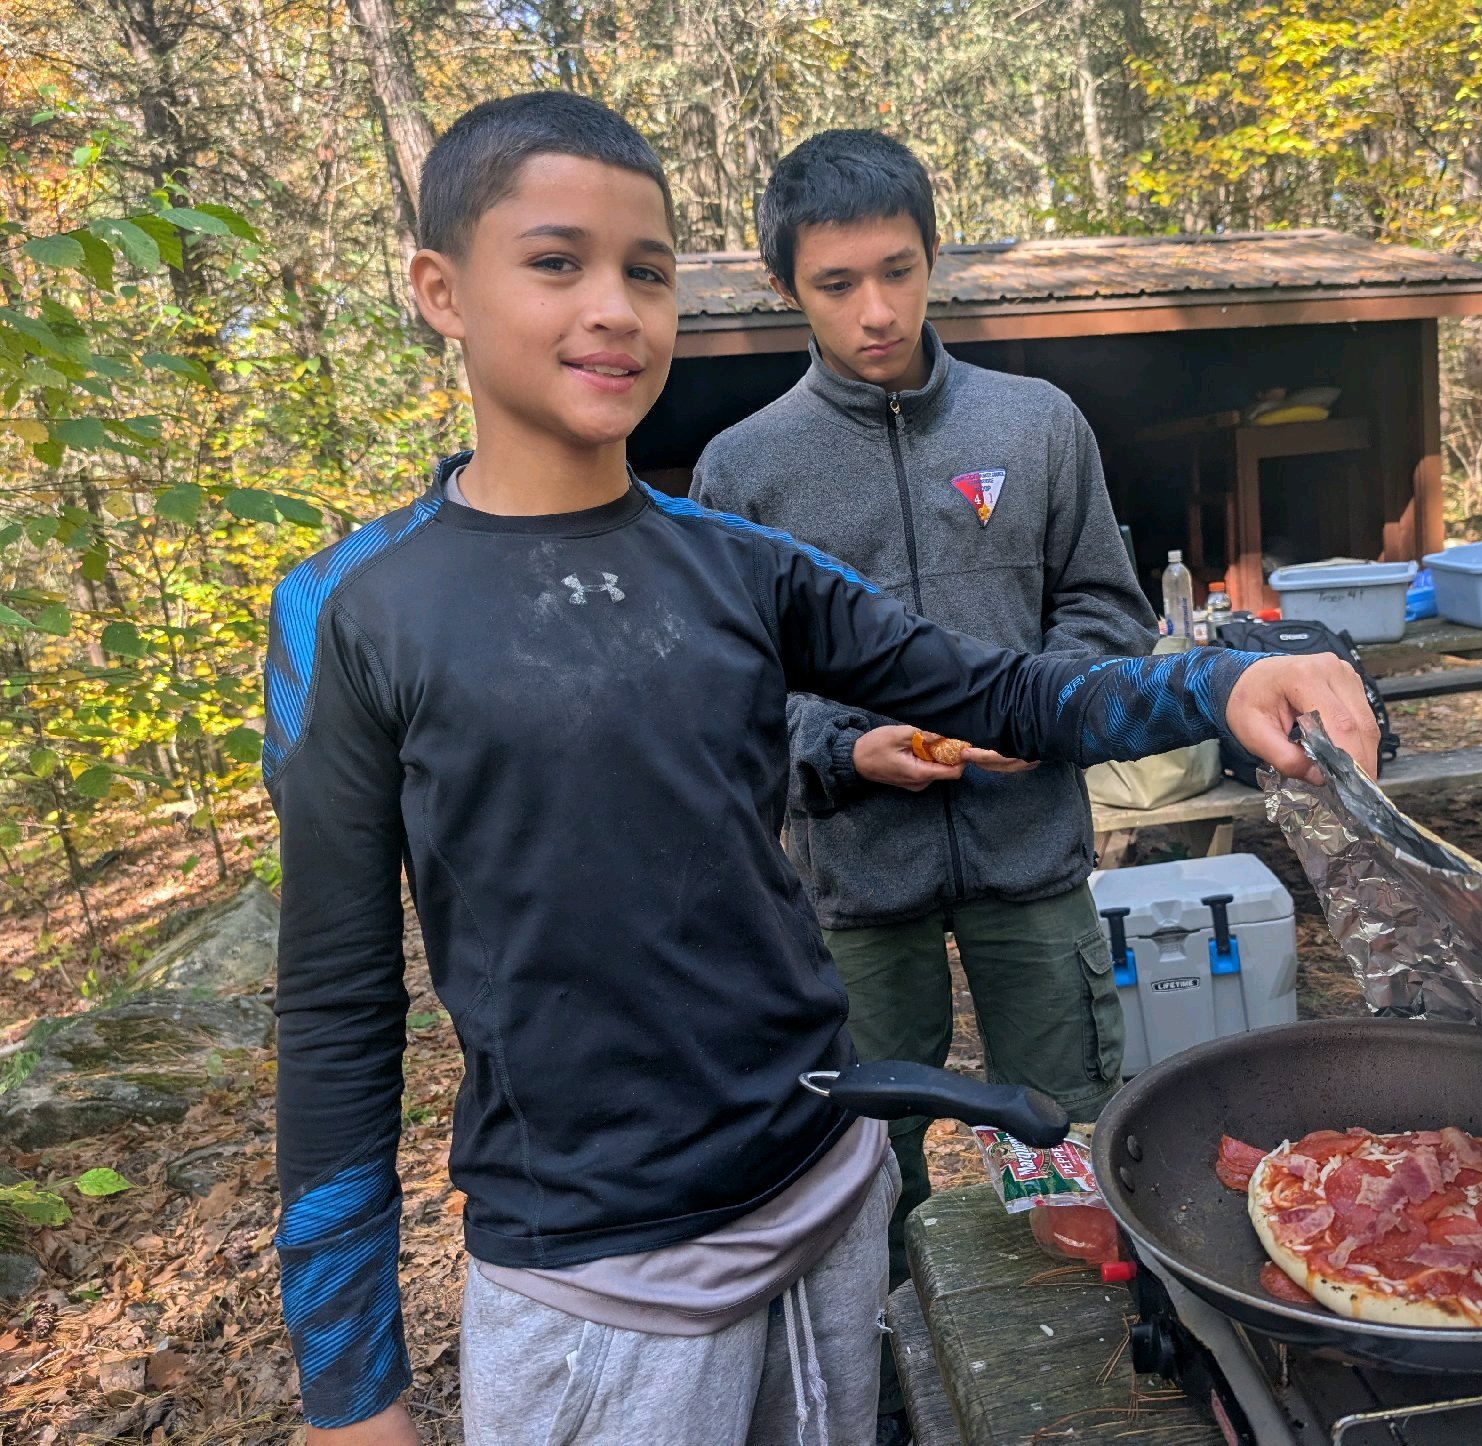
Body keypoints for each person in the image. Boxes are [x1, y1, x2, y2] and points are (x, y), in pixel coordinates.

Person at [266, 91, 1378, 1446]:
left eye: (648, 270)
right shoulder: (353, 609)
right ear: (440, 289)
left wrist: (1224, 674)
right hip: (593, 1268)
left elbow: (1010, 687)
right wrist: (347, 1376)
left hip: (824, 1194)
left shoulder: (736, 563)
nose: (614, 306)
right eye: (557, 262)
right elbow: (333, 1002)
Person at [690, 132, 1155, 1331]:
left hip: (1029, 849)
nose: (877, 310)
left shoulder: (1038, 424)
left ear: (934, 256)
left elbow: (1107, 605)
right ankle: (889, 1349)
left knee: (1068, 1113)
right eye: (838, 284)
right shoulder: (744, 472)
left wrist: (1044, 705)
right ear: (786, 285)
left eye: (899, 270)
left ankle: (1074, 1337)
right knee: (859, 1151)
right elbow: (732, 697)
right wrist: (846, 750)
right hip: (853, 880)